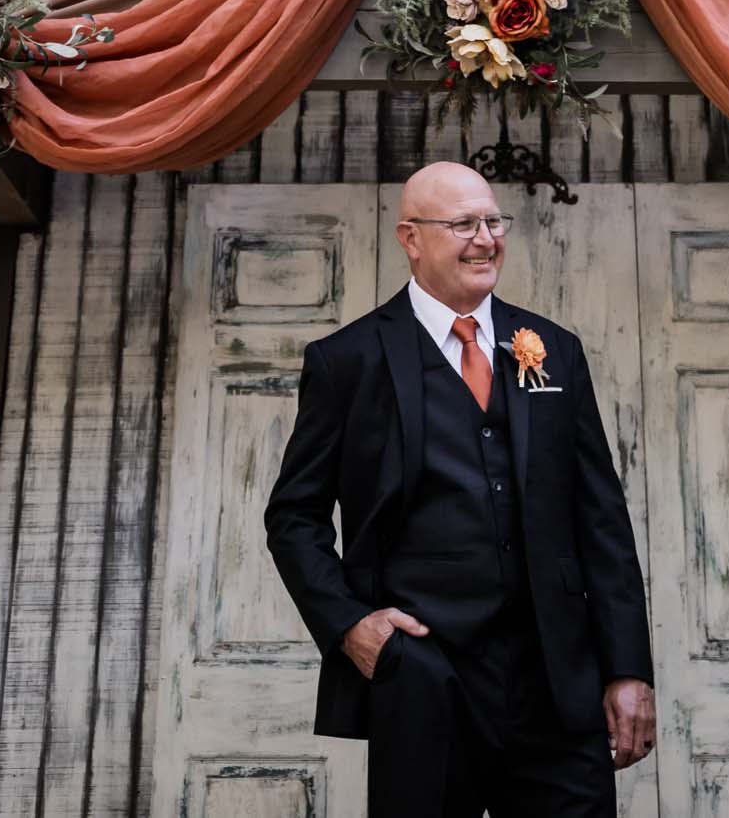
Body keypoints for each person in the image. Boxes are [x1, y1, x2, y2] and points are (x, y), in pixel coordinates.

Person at [264, 160, 657, 817]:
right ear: (410, 239)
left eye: (492, 221)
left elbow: (601, 520)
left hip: (554, 681)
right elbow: (294, 517)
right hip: (423, 674)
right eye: (462, 224)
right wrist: (350, 625)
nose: (484, 239)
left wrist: (626, 669)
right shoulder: (347, 361)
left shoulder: (553, 348)